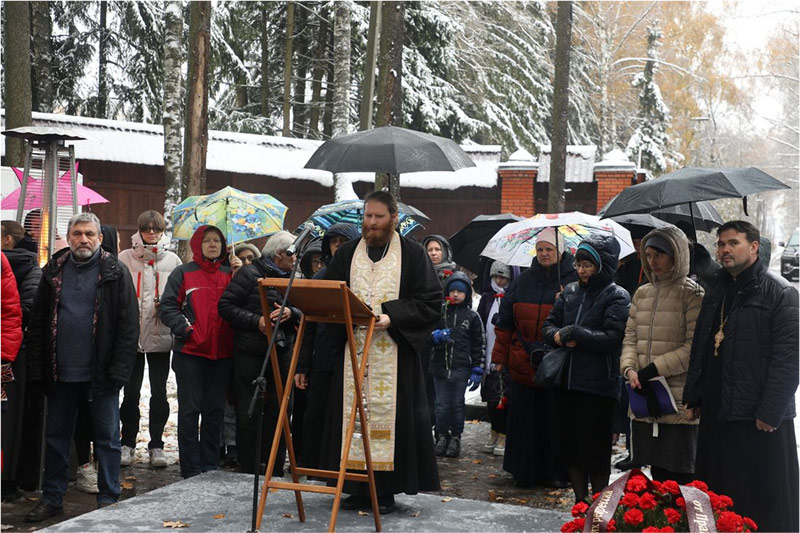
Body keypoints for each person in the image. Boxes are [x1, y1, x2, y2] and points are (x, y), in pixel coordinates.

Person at [318, 191, 442, 514]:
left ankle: (384, 490)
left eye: (378, 217)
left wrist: (393, 315)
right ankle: (356, 488)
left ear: (393, 218)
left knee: (392, 422)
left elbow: (431, 302)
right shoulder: (347, 253)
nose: (371, 223)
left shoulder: (413, 255)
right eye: (367, 217)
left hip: (394, 356)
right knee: (352, 419)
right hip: (354, 354)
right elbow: (329, 292)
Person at [683, 220, 799, 532]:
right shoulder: (717, 290)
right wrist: (694, 395)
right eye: (720, 244)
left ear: (754, 247)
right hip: (718, 410)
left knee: (761, 500)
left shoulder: (781, 293)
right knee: (720, 494)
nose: (724, 250)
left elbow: (789, 361)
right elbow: (701, 345)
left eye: (733, 243)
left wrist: (770, 411)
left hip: (759, 417)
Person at [24, 212, 138, 521]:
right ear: (69, 237)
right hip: (60, 373)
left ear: (100, 238)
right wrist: (38, 369)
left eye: (89, 233)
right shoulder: (54, 271)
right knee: (57, 440)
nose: (83, 239)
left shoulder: (116, 272)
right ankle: (52, 498)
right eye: (77, 233)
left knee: (108, 440)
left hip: (101, 374)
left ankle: (109, 499)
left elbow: (128, 327)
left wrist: (119, 371)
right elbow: (37, 324)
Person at [542, 235, 630, 503]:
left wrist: (578, 333)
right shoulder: (569, 292)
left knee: (595, 451)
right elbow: (549, 325)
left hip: (597, 386)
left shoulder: (617, 296)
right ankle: (580, 502)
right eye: (578, 264)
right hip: (567, 382)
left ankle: (599, 505)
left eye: (587, 265)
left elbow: (614, 339)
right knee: (570, 448)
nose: (581, 270)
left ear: (601, 266)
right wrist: (556, 336)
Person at [492, 228, 576, 488]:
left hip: (556, 362)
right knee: (524, 422)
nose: (544, 253)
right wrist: (500, 358)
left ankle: (554, 473)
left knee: (553, 421)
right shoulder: (523, 280)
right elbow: (505, 322)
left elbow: (579, 321)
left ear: (559, 251)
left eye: (549, 249)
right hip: (522, 361)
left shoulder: (572, 281)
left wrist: (567, 302)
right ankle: (523, 472)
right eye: (540, 249)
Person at [620, 227, 704, 484]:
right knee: (655, 473)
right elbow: (630, 337)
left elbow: (693, 348)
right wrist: (630, 369)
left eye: (660, 255)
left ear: (676, 256)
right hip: (645, 396)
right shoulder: (642, 293)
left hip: (678, 400)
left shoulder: (693, 294)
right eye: (648, 255)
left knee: (681, 475)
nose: (653, 261)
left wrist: (653, 369)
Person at [218, 230, 300, 476]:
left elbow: (305, 307)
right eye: (291, 254)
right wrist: (257, 322)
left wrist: (291, 313)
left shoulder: (295, 276)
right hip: (251, 353)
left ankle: (275, 466)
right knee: (248, 412)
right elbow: (225, 306)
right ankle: (250, 466)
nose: (295, 259)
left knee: (282, 410)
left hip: (283, 351)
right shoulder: (249, 273)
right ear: (278, 254)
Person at [159, 225, 236, 479]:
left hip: (222, 353)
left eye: (217, 240)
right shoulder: (184, 273)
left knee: (214, 411)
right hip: (190, 353)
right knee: (190, 410)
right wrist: (187, 330)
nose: (213, 245)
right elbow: (168, 306)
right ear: (197, 245)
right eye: (207, 241)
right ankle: (190, 468)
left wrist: (240, 273)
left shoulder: (231, 274)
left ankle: (210, 465)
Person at [118, 211, 182, 468]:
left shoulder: (173, 259)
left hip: (160, 332)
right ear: (140, 230)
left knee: (159, 392)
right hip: (131, 335)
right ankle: (127, 443)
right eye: (147, 229)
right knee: (130, 392)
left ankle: (157, 444)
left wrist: (165, 305)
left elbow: (180, 297)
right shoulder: (125, 257)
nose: (152, 233)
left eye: (156, 229)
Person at [295, 222, 360, 469]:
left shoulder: (361, 277)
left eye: (345, 242)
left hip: (354, 358)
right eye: (335, 242)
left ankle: (344, 469)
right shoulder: (320, 277)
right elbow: (308, 326)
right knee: (315, 417)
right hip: (322, 359)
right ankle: (314, 468)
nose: (339, 247)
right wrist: (302, 365)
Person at [1, 221, 44, 497]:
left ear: (7, 239)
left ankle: (7, 479)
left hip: (11, 354)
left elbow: (18, 312)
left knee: (7, 421)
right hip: (11, 350)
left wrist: (5, 355)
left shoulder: (28, 269)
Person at [429, 271, 484, 458]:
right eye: (452, 290)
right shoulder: (440, 313)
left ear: (467, 293)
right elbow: (425, 335)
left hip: (461, 368)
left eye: (459, 291)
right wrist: (434, 337)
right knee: (441, 404)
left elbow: (479, 343)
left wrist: (477, 367)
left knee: (457, 404)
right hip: (440, 367)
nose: (455, 295)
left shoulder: (472, 317)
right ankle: (441, 435)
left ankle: (456, 437)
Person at [476, 260, 514, 456]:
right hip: (489, 350)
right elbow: (480, 322)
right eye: (496, 276)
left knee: (505, 395)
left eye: (503, 277)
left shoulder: (513, 296)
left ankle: (504, 433)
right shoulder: (487, 298)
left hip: (506, 355)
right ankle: (494, 430)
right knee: (491, 397)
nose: (499, 280)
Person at [674, 221, 720, 289]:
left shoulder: (706, 264)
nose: (678, 245)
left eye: (681, 240)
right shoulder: (668, 262)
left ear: (691, 241)